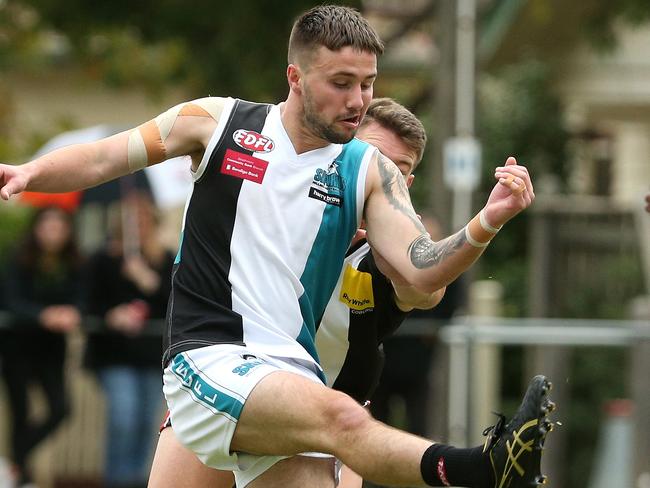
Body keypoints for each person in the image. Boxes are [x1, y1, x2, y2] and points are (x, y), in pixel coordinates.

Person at [0, 6, 555, 488]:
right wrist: (28, 173)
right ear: (295, 76)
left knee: (338, 419)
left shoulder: (367, 169)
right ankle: (483, 469)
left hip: (294, 383)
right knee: (342, 422)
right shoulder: (218, 122)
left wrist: (487, 220)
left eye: (368, 84)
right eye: (341, 82)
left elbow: (422, 268)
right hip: (210, 359)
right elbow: (102, 158)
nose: (358, 100)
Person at [151, 96, 446, 488]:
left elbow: (427, 289)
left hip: (327, 428)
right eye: (371, 156)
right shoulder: (276, 216)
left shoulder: (397, 261)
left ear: (404, 186)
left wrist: (485, 224)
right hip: (234, 395)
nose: (376, 174)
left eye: (395, 170)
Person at [83, 192, 174, 488]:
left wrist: (149, 280)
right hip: (115, 355)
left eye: (143, 219)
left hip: (152, 356)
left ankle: (137, 479)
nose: (137, 225)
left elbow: (178, 305)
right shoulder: (102, 259)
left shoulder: (166, 259)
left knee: (148, 423)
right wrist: (112, 315)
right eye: (130, 219)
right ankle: (117, 480)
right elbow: (87, 304)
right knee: (124, 417)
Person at [0, 206, 83, 487]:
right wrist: (42, 315)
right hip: (17, 348)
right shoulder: (18, 260)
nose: (53, 233)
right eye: (48, 226)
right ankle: (21, 473)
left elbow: (83, 299)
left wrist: (72, 313)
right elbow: (11, 301)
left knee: (60, 408)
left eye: (59, 227)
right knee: (20, 412)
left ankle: (16, 458)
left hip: (51, 349)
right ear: (36, 229)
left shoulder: (73, 264)